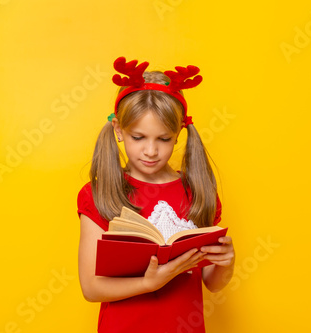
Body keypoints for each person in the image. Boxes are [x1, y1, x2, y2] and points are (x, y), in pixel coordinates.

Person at [77, 57, 235, 333]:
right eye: (138, 138)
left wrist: (227, 263)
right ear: (119, 130)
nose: (151, 151)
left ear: (178, 135)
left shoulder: (197, 192)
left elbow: (213, 282)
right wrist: (149, 284)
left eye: (163, 139)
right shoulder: (100, 194)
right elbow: (91, 287)